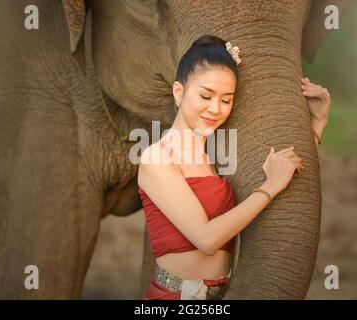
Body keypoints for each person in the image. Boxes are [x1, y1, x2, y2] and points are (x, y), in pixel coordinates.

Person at [137, 34, 331, 300]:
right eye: (206, 95)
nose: (215, 108)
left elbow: (281, 170)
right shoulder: (156, 158)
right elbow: (206, 239)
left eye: (226, 100)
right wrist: (270, 187)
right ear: (178, 92)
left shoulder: (214, 156)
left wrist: (316, 126)